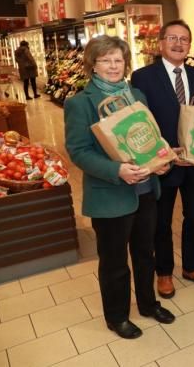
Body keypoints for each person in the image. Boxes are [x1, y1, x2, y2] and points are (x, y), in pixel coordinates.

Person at [64, 36, 175, 339]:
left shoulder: (137, 94)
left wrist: (160, 162)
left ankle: (148, 304)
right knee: (114, 263)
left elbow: (150, 135)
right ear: (93, 65)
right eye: (106, 60)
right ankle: (117, 317)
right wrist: (117, 170)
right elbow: (78, 150)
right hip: (111, 195)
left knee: (145, 253)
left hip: (146, 192)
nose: (114, 66)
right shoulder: (81, 103)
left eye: (118, 60)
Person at [131, 20, 194, 298]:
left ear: (189, 45)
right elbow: (140, 121)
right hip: (163, 163)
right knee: (161, 221)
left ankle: (192, 266)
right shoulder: (143, 77)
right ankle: (164, 272)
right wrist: (165, 153)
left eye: (184, 39)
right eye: (173, 38)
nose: (179, 44)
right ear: (161, 43)